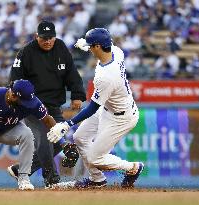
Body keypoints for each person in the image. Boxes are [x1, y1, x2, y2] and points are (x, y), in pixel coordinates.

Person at [47, 28, 144, 189]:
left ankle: (133, 168)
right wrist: (86, 45)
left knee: (95, 159)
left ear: (98, 46)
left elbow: (92, 108)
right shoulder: (115, 51)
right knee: (80, 138)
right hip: (109, 107)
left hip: (121, 118)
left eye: (91, 46)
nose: (89, 48)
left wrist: (66, 125)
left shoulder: (106, 77)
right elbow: (103, 48)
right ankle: (96, 180)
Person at [8, 20, 86, 187]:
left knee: (55, 141)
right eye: (44, 37)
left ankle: (21, 170)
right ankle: (51, 179)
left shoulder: (61, 47)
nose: (48, 41)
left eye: (50, 37)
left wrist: (77, 95)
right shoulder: (25, 52)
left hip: (53, 106)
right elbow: (14, 79)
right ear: (37, 36)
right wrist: (18, 99)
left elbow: (72, 73)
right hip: (32, 106)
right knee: (45, 138)